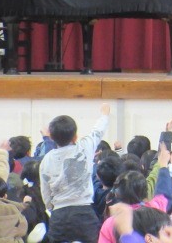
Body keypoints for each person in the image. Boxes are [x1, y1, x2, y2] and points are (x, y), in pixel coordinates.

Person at [40, 103, 110, 243]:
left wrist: (52, 208)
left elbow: (45, 191)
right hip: (84, 213)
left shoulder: (47, 159)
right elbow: (98, 131)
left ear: (51, 138)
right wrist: (104, 114)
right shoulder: (84, 147)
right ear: (76, 136)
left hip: (59, 214)